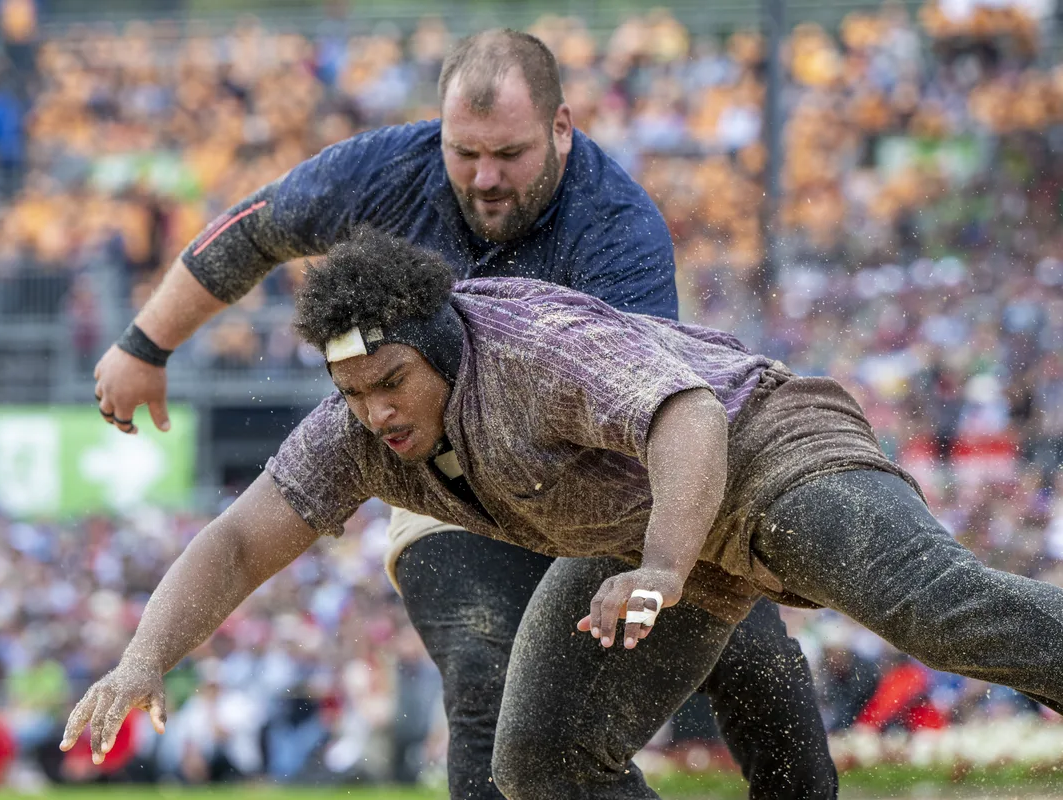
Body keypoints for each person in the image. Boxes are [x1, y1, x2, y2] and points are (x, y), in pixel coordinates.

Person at [92, 29, 835, 797]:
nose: (484, 179)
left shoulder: (616, 227)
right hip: (447, 480)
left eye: (508, 155)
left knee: (753, 656)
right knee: (486, 671)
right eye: (464, 152)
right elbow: (250, 229)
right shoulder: (383, 173)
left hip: (591, 472)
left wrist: (671, 564)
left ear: (560, 129)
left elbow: (651, 421)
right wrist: (145, 344)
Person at [63, 230, 1063, 800]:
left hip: (764, 448)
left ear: (441, 344)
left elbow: (686, 416)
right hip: (656, 535)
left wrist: (666, 569)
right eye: (354, 389)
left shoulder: (530, 346)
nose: (376, 411)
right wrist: (146, 655)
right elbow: (239, 538)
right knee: (540, 752)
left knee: (936, 608)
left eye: (392, 382)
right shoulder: (355, 427)